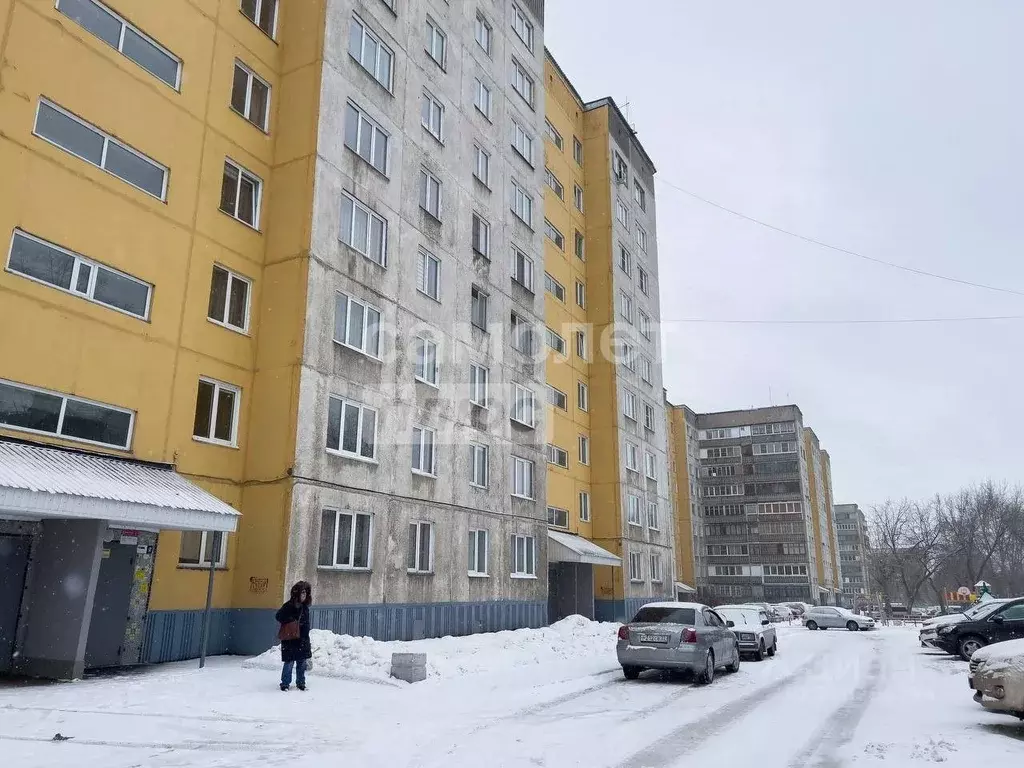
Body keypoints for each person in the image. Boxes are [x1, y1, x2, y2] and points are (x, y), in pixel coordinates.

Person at [275, 581, 312, 691]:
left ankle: (301, 683)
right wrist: (291, 621)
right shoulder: (288, 606)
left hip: (302, 639)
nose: (304, 595)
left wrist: (306, 637)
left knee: (302, 663)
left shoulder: (305, 608)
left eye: (306, 593)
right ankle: (285, 683)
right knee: (289, 662)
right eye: (302, 592)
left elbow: (306, 624)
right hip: (290, 639)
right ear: (297, 593)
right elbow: (278, 616)